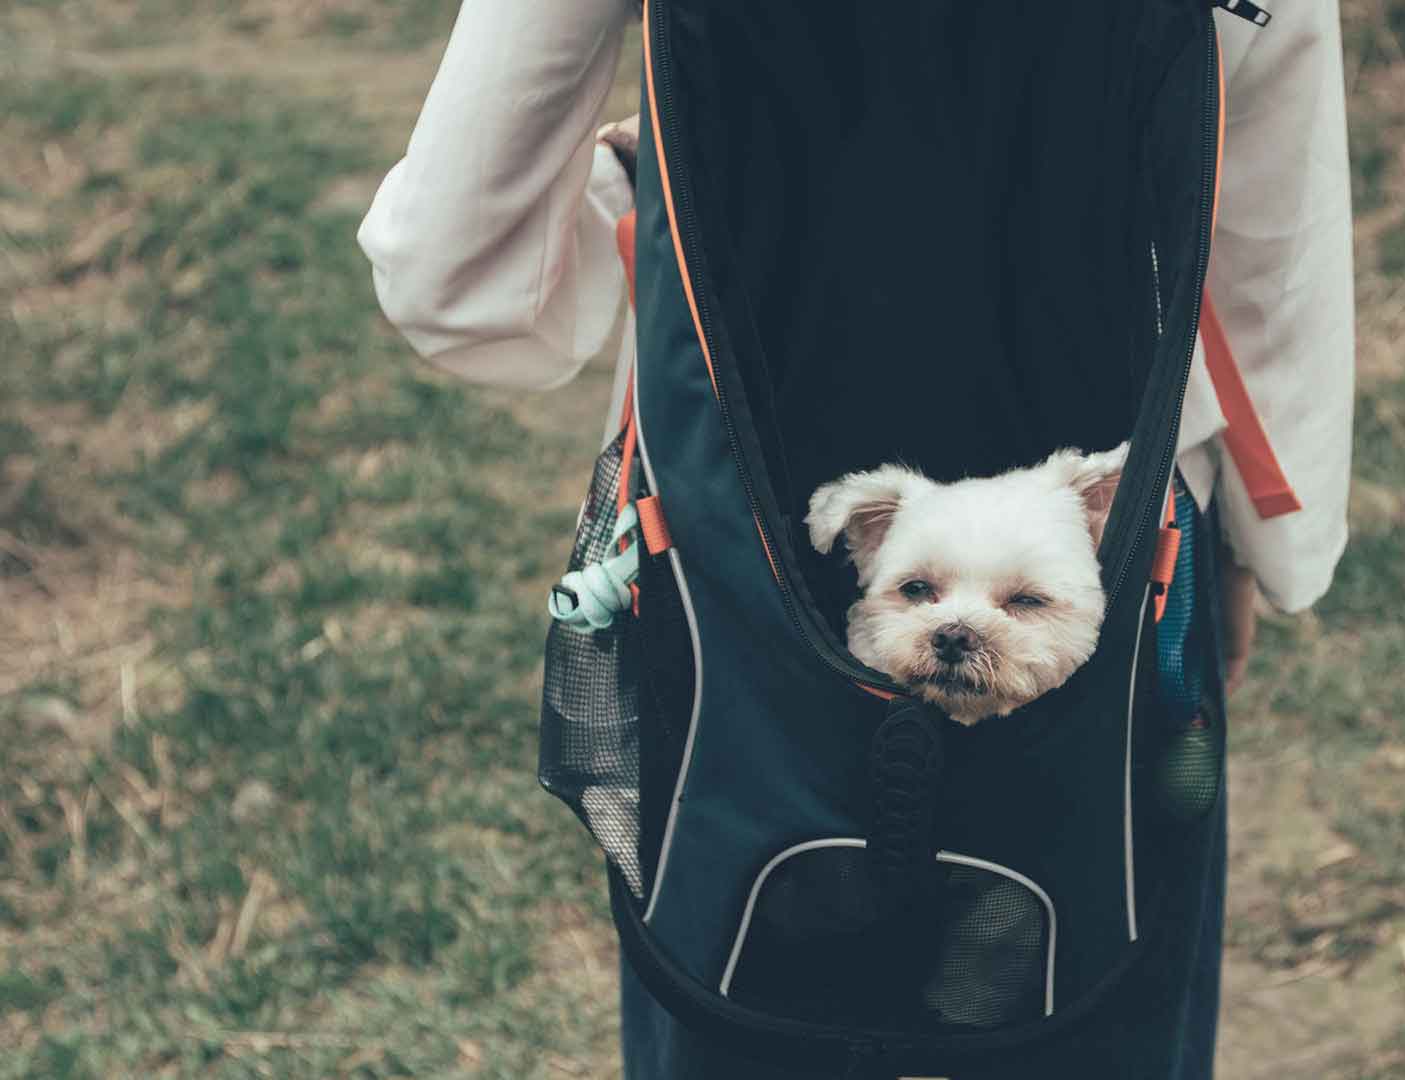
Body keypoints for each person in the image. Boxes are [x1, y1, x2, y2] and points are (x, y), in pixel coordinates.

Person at [360, 1, 1353, 1075]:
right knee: (1094, 983)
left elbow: (454, 279)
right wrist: (1267, 543)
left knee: (741, 989)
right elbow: (1265, 239)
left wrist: (637, 196)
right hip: (1133, 558)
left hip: (719, 564)